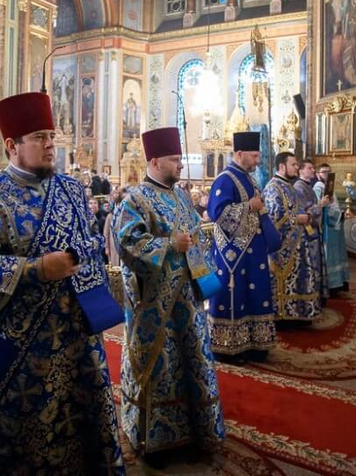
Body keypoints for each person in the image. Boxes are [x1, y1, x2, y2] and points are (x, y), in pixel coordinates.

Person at [0, 92, 125, 475]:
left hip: (78, 335)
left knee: (84, 426)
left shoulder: (73, 190)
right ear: (12, 145)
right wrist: (37, 269)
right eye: (39, 138)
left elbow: (92, 243)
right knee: (24, 437)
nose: (50, 145)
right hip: (20, 346)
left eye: (51, 136)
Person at [113, 126, 224, 466]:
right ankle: (155, 440)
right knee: (161, 369)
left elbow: (194, 238)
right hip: (154, 307)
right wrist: (167, 245)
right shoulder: (136, 199)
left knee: (191, 365)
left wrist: (201, 274)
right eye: (175, 160)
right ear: (156, 160)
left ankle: (195, 432)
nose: (180, 165)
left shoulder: (180, 196)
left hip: (187, 302)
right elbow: (127, 245)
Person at [207, 131, 282, 363]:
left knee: (256, 294)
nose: (258, 160)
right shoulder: (225, 179)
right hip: (234, 255)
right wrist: (249, 206)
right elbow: (218, 214)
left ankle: (255, 344)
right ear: (239, 154)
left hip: (253, 252)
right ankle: (228, 348)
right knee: (235, 296)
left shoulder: (249, 178)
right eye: (254, 156)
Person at [263, 152, 322, 322]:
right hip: (282, 247)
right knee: (284, 282)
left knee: (299, 280)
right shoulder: (273, 188)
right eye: (294, 164)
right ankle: (283, 316)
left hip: (298, 243)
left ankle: (297, 313)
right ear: (282, 166)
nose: (297, 167)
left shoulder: (289, 186)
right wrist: (297, 219)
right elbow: (273, 219)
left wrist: (304, 217)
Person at [293, 159, 330, 299]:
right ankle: (311, 296)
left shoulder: (308, 186)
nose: (313, 170)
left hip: (314, 232)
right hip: (306, 234)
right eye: (310, 168)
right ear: (301, 170)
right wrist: (320, 205)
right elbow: (303, 212)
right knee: (311, 264)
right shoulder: (299, 187)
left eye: (313, 168)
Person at [321, 177, 350, 294]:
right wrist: (338, 215)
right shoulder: (319, 187)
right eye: (323, 172)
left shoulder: (330, 190)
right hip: (327, 230)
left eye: (328, 172)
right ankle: (332, 286)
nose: (326, 174)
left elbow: (332, 206)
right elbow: (323, 210)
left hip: (334, 230)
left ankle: (338, 284)